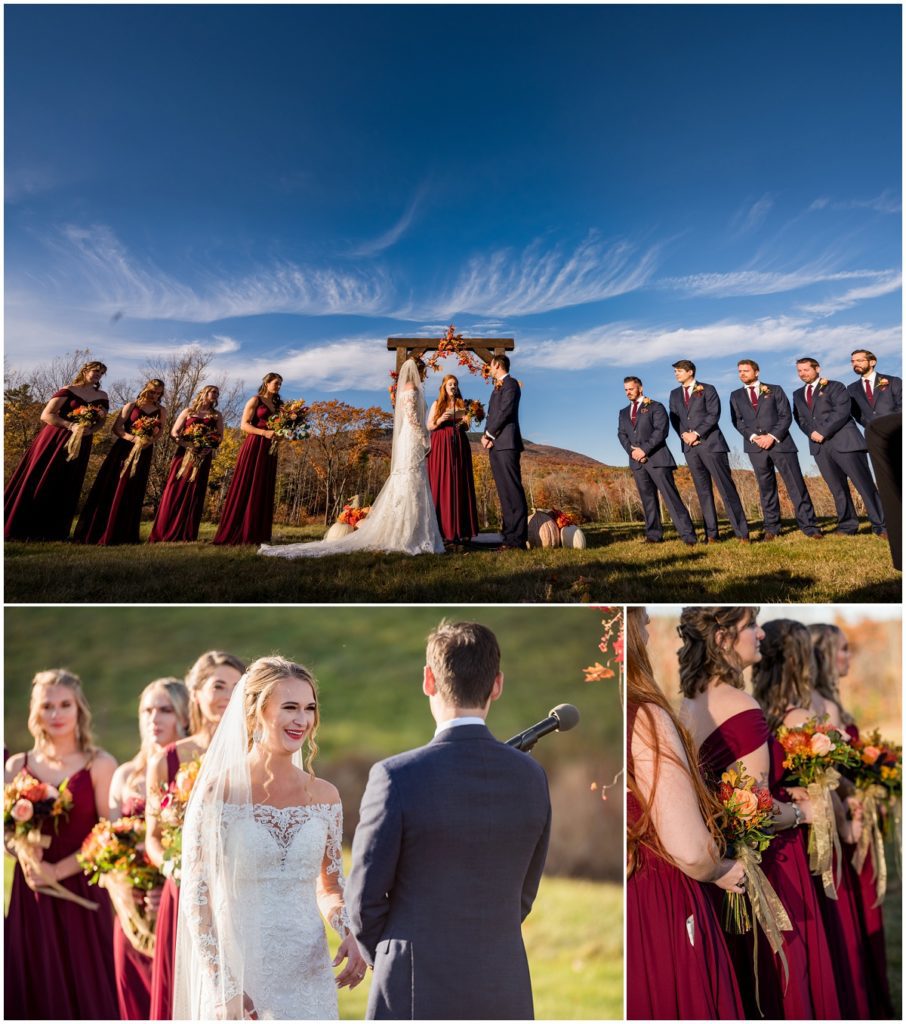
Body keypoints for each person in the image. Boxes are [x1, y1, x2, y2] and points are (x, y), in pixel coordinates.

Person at [346, 620, 551, 1019]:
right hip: (503, 983)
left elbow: (364, 901)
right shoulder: (532, 775)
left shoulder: (395, 776)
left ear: (428, 680)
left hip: (414, 986)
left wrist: (391, 956)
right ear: (497, 685)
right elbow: (524, 893)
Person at [174, 656, 366, 1020]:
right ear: (255, 713)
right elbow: (197, 900)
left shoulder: (326, 796)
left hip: (309, 975)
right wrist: (223, 986)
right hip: (241, 971)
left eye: (309, 708)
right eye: (290, 707)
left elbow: (329, 887)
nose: (302, 720)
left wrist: (349, 931)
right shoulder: (219, 793)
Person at [679, 607, 840, 1019]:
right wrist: (804, 813)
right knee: (787, 981)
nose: (760, 635)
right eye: (750, 626)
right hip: (770, 866)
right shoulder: (740, 704)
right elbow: (760, 811)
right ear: (721, 639)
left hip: (726, 867)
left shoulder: (687, 704)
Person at [626, 608, 744, 1019]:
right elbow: (691, 850)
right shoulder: (644, 715)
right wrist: (721, 867)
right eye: (640, 619)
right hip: (655, 902)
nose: (648, 626)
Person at [751, 619, 870, 1020]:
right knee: (813, 947)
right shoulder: (799, 717)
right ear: (802, 661)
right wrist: (847, 826)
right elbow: (825, 788)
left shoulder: (757, 712)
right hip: (803, 843)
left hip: (769, 842)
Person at [4, 669, 119, 1019]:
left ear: (79, 709)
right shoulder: (16, 766)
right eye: (47, 706)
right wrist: (22, 851)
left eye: (64, 705)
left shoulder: (99, 764)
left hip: (84, 890)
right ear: (35, 712)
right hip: (33, 895)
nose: (56, 714)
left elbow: (110, 833)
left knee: (90, 988)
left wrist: (59, 869)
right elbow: (7, 833)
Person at [259, 358, 445, 558]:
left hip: (410, 438)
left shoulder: (409, 388)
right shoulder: (411, 388)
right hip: (412, 437)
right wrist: (424, 438)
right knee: (410, 479)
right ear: (418, 371)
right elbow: (412, 417)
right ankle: (406, 533)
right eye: (423, 371)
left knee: (413, 480)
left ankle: (411, 531)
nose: (424, 375)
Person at [146, 651, 245, 1020]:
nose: (227, 695)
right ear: (196, 692)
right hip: (186, 891)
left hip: (239, 892)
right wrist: (178, 870)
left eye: (237, 687)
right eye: (218, 685)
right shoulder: (168, 761)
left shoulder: (258, 756)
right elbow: (153, 837)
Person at [810, 623, 895, 1019]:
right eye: (842, 649)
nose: (849, 656)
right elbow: (827, 771)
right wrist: (858, 794)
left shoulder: (833, 701)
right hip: (844, 825)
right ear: (824, 654)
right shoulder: (821, 707)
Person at [107, 677, 190, 1020]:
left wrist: (166, 888)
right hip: (131, 916)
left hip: (179, 907)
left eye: (165, 710)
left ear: (185, 716)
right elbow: (106, 848)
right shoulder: (125, 775)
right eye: (147, 710)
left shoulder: (190, 771)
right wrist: (132, 894)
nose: (154, 719)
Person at [4, 360, 109, 541]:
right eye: (95, 370)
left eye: (101, 372)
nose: (98, 374)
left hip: (81, 442)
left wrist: (89, 430)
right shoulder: (69, 389)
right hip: (55, 438)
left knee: (68, 481)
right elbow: (46, 414)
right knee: (42, 476)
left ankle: (55, 531)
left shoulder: (102, 395)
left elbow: (102, 420)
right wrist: (70, 426)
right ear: (85, 371)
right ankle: (21, 528)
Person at [791, 357, 887, 537]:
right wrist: (811, 433)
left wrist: (823, 431)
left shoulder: (835, 386)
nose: (803, 373)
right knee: (837, 489)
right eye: (799, 371)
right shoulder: (797, 394)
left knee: (864, 485)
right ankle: (847, 526)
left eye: (806, 369)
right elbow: (799, 418)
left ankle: (881, 526)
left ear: (817, 369)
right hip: (820, 448)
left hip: (845, 442)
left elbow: (842, 411)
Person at [729, 359, 823, 540]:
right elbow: (737, 421)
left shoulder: (775, 389)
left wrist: (771, 436)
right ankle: (772, 528)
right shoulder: (735, 396)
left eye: (746, 371)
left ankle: (810, 526)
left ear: (756, 372)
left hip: (781, 444)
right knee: (766, 488)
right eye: (739, 371)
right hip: (755, 447)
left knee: (796, 485)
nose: (742, 374)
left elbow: (785, 415)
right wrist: (753, 437)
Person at [73, 378, 167, 545]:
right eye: (153, 392)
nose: (155, 396)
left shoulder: (161, 410)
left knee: (133, 486)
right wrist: (133, 438)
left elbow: (160, 432)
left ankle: (125, 533)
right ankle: (98, 530)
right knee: (113, 484)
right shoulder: (131, 406)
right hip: (123, 449)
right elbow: (117, 428)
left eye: (159, 393)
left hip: (144, 450)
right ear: (146, 389)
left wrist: (148, 441)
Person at [668, 360, 749, 542]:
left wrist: (696, 434)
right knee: (703, 492)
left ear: (690, 372)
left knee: (726, 489)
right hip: (689, 448)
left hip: (711, 445)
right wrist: (685, 435)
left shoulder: (708, 389)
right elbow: (674, 418)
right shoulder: (674, 394)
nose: (676, 374)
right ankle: (711, 534)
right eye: (675, 372)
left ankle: (742, 533)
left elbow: (714, 414)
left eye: (679, 371)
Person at [617, 376, 697, 545]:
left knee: (671, 498)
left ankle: (688, 536)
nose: (628, 392)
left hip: (658, 460)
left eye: (631, 389)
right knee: (648, 500)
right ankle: (654, 535)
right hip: (637, 463)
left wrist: (644, 450)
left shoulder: (655, 407)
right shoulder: (623, 412)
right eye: (625, 390)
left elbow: (661, 431)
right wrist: (633, 453)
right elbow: (621, 434)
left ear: (640, 388)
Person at [213, 372, 283, 546]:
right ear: (266, 383)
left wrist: (281, 434)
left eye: (280, 384)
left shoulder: (279, 405)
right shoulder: (255, 400)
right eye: (276, 383)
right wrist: (265, 432)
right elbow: (244, 425)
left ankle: (258, 532)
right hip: (255, 444)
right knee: (248, 483)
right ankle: (238, 531)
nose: (278, 386)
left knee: (263, 486)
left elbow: (282, 426)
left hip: (270, 448)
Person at [148, 384, 224, 543]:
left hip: (203, 456)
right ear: (204, 393)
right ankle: (164, 531)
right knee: (176, 488)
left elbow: (219, 437)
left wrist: (208, 449)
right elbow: (174, 432)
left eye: (217, 393)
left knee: (195, 490)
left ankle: (187, 534)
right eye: (213, 392)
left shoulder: (217, 415)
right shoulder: (188, 411)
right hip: (184, 454)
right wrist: (187, 444)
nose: (215, 394)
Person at [481, 355, 528, 549]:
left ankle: (517, 540)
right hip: (495, 445)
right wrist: (486, 436)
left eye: (490, 366)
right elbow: (492, 415)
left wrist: (490, 434)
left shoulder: (511, 384)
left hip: (507, 443)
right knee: (504, 493)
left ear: (497, 365)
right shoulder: (496, 387)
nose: (488, 369)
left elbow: (506, 412)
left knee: (513, 490)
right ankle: (508, 537)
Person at [427, 374, 479, 546]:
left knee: (459, 481)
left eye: (455, 384)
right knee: (443, 482)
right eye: (450, 384)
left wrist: (465, 421)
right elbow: (429, 426)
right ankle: (443, 529)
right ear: (444, 386)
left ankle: (462, 529)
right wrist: (440, 419)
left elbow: (467, 427)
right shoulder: (437, 404)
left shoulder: (461, 404)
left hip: (459, 444)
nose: (453, 386)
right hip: (441, 444)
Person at [848, 348, 902, 428]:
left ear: (872, 362)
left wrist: (895, 423)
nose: (855, 364)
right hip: (874, 433)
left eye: (859, 360)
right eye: (853, 361)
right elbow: (855, 412)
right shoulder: (851, 388)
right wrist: (868, 424)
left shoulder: (893, 381)